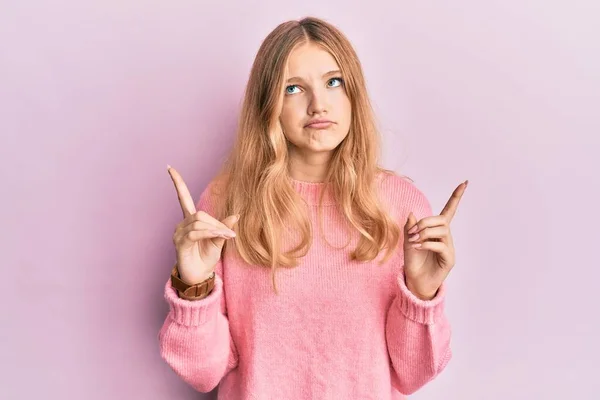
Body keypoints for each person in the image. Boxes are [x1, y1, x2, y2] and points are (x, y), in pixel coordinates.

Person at [159, 16, 468, 400]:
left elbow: (413, 375)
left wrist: (422, 292)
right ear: (268, 103)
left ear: (353, 92)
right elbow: (203, 373)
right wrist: (193, 285)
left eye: (333, 82)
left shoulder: (402, 205)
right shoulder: (226, 204)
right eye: (293, 88)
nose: (318, 104)